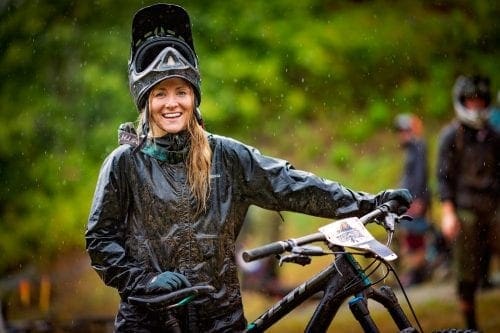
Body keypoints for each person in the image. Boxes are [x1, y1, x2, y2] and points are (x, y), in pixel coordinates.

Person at [85, 3, 412, 332]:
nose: (172, 103)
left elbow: (290, 184)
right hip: (147, 323)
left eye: (181, 91)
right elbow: (100, 239)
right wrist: (145, 281)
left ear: (194, 97)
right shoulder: (123, 163)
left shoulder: (226, 155)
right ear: (146, 101)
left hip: (222, 322)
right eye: (160, 94)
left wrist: (369, 202)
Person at [437, 74, 500, 330]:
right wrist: (448, 212)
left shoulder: (494, 136)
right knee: (466, 275)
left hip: (494, 208)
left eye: (479, 101)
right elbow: (443, 177)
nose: (475, 106)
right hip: (465, 211)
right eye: (470, 101)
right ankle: (471, 326)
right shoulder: (451, 136)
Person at [393, 113, 431, 287]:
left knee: (416, 237)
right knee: (411, 236)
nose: (402, 135)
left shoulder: (418, 146)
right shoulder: (411, 148)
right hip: (411, 199)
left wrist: (416, 199)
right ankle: (416, 272)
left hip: (415, 200)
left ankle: (418, 273)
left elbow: (420, 175)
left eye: (405, 130)